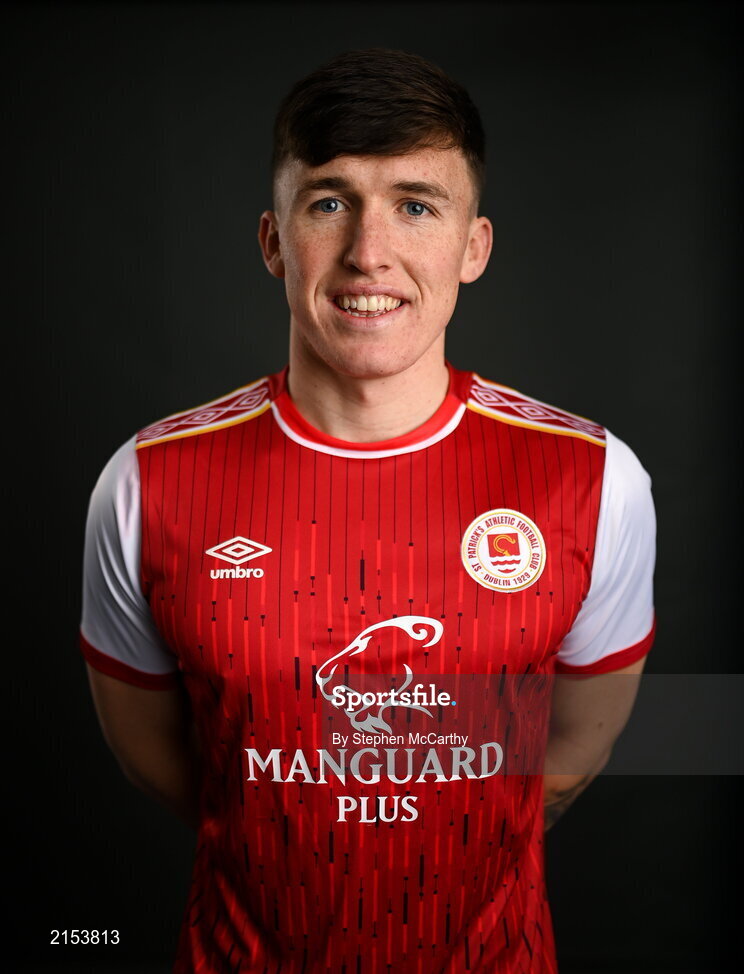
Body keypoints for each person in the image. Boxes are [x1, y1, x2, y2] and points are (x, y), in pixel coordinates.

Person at [80, 49, 656, 974]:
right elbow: (153, 753)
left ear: (474, 247)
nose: (368, 254)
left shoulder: (592, 478)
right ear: (274, 240)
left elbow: (582, 741)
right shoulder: (148, 482)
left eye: (416, 205)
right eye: (330, 202)